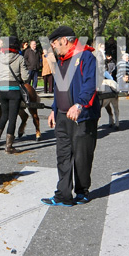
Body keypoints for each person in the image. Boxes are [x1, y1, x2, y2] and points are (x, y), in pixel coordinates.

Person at [43, 26, 101, 206]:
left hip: (82, 116)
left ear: (64, 40)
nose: (53, 46)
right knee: (63, 155)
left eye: (54, 43)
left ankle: (82, 191)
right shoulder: (62, 61)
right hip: (61, 116)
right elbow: (58, 88)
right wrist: (54, 108)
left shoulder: (86, 57)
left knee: (82, 156)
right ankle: (63, 195)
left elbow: (91, 84)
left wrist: (79, 105)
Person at [0, 36, 29, 153]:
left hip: (2, 90)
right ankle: (9, 146)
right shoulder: (20, 58)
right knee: (12, 118)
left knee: (4, 116)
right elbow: (25, 78)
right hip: (14, 91)